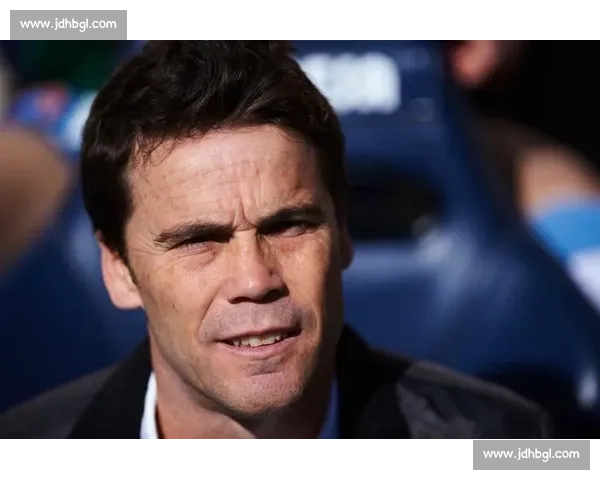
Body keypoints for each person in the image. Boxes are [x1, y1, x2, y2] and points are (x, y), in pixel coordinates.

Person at [0, 41, 553, 440]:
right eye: (199, 240)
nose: (254, 279)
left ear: (342, 231)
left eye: (289, 225)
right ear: (119, 269)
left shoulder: (503, 444)